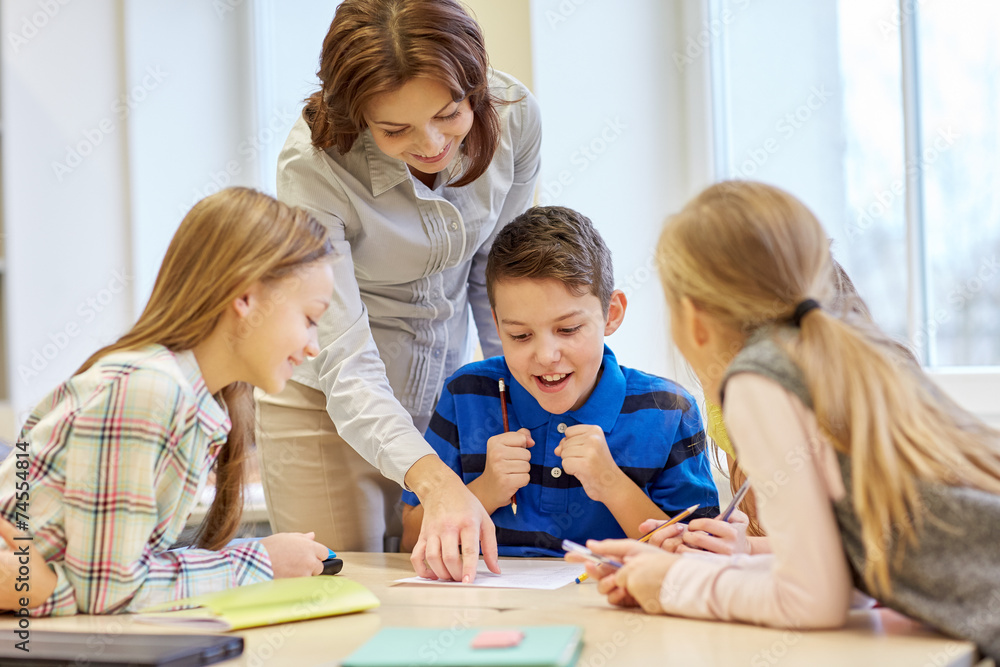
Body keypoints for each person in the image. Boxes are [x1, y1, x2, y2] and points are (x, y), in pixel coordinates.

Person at [573, 181, 1000, 660]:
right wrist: (709, 566)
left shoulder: (759, 380)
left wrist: (672, 583)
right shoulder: (860, 357)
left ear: (693, 317)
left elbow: (814, 601)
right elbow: (846, 571)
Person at [257, 0, 541, 581]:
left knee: (442, 589)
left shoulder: (516, 118)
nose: (433, 144)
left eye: (450, 113)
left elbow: (500, 280)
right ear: (357, 114)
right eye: (395, 128)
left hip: (442, 395)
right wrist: (434, 479)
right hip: (327, 404)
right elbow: (345, 360)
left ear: (475, 83)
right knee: (343, 593)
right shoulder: (313, 168)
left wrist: (518, 396)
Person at [0, 188, 336, 615]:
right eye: (309, 318)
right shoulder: (149, 390)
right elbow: (111, 593)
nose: (313, 346)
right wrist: (261, 562)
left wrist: (48, 589)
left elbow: (97, 584)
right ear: (245, 298)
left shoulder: (192, 398)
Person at [399, 206, 719, 556]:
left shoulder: (670, 410)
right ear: (497, 325)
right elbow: (411, 539)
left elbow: (699, 556)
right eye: (520, 335)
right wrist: (487, 489)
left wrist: (611, 484)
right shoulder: (467, 394)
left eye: (567, 329)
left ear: (611, 314)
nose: (546, 355)